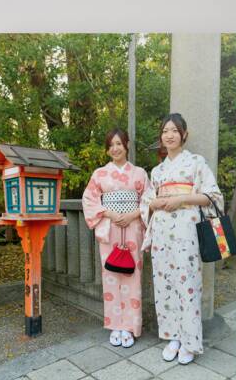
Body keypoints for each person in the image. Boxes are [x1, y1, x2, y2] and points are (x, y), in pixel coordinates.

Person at [140, 113, 223, 365]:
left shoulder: (196, 163)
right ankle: (172, 336)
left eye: (175, 130)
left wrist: (181, 199)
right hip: (163, 232)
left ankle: (189, 340)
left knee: (187, 282)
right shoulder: (157, 170)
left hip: (187, 230)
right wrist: (157, 202)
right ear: (161, 136)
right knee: (164, 282)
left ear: (184, 134)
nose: (169, 135)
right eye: (165, 130)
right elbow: (146, 202)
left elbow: (212, 196)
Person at [80, 128, 149, 347]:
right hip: (109, 227)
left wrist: (132, 214)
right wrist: (108, 213)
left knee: (133, 275)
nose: (115, 148)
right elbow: (89, 200)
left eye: (119, 144)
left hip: (133, 226)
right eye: (111, 145)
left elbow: (148, 200)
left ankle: (130, 326)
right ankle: (115, 325)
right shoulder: (99, 174)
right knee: (111, 274)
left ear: (127, 145)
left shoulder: (139, 173)